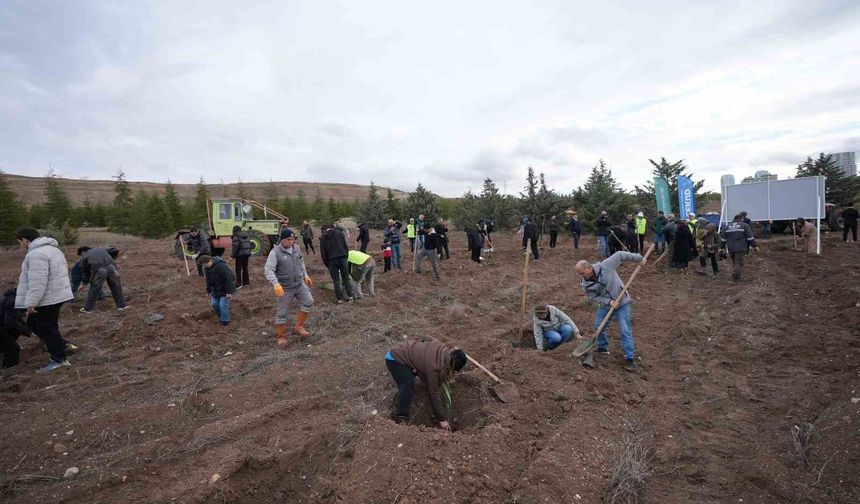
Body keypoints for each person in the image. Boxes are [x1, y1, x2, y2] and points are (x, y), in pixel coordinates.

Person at [14, 228, 75, 373]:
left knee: (46, 327)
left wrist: (31, 303)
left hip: (48, 298)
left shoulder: (36, 254)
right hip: (56, 294)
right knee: (33, 323)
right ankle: (62, 345)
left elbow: (37, 282)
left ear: (24, 240)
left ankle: (59, 360)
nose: (20, 245)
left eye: (19, 242)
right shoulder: (52, 249)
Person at [575, 251, 645, 372]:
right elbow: (593, 297)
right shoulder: (585, 284)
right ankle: (603, 348)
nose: (581, 276)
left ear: (588, 268)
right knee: (598, 326)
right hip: (607, 305)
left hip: (622, 302)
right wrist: (609, 302)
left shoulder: (606, 266)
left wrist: (639, 258)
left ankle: (629, 359)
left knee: (624, 329)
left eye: (581, 273)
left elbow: (620, 255)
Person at [384, 338, 467, 428]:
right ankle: (401, 417)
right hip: (395, 358)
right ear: (452, 366)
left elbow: (426, 337)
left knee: (416, 373)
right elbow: (434, 393)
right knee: (408, 383)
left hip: (405, 350)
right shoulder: (434, 368)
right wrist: (442, 419)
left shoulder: (444, 349)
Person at [265, 228, 314, 348]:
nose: (291, 242)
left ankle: (299, 326)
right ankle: (281, 337)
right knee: (282, 313)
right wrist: (275, 283)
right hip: (285, 288)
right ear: (282, 240)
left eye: (293, 239)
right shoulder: (275, 252)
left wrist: (305, 275)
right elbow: (268, 270)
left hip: (298, 284)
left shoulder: (296, 248)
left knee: (308, 301)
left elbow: (301, 262)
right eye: (289, 239)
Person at [79, 247, 129, 313]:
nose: (81, 257)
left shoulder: (85, 257)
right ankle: (122, 306)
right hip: (111, 267)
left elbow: (86, 272)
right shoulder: (101, 249)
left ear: (83, 252)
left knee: (94, 289)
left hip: (99, 270)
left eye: (80, 255)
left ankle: (88, 308)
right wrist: (116, 254)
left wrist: (84, 283)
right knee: (116, 286)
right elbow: (114, 250)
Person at [320, 224, 355, 303]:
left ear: (324, 230)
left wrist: (327, 264)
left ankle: (339, 299)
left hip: (332, 260)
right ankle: (350, 296)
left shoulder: (323, 237)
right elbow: (345, 245)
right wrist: (346, 256)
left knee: (336, 280)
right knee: (346, 278)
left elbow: (323, 253)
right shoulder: (339, 233)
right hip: (343, 257)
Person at [197, 254, 236, 326]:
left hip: (225, 289)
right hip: (215, 290)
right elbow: (208, 281)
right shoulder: (206, 269)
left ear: (209, 261)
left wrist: (229, 292)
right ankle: (221, 318)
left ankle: (225, 321)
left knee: (222, 305)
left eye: (205, 265)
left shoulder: (221, 266)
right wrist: (208, 291)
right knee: (214, 304)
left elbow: (229, 279)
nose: (204, 266)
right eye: (203, 265)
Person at [720, 214, 758, 283]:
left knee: (735, 262)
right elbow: (750, 237)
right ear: (741, 219)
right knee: (738, 262)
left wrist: (721, 248)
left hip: (731, 248)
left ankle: (738, 277)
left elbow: (723, 239)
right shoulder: (745, 226)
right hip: (741, 247)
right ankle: (735, 278)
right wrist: (755, 246)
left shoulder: (727, 227)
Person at [1, 288, 31, 368]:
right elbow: (10, 323)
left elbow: (13, 318)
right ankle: (8, 371)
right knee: (13, 349)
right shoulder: (13, 302)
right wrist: (27, 330)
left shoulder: (12, 298)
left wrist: (26, 327)